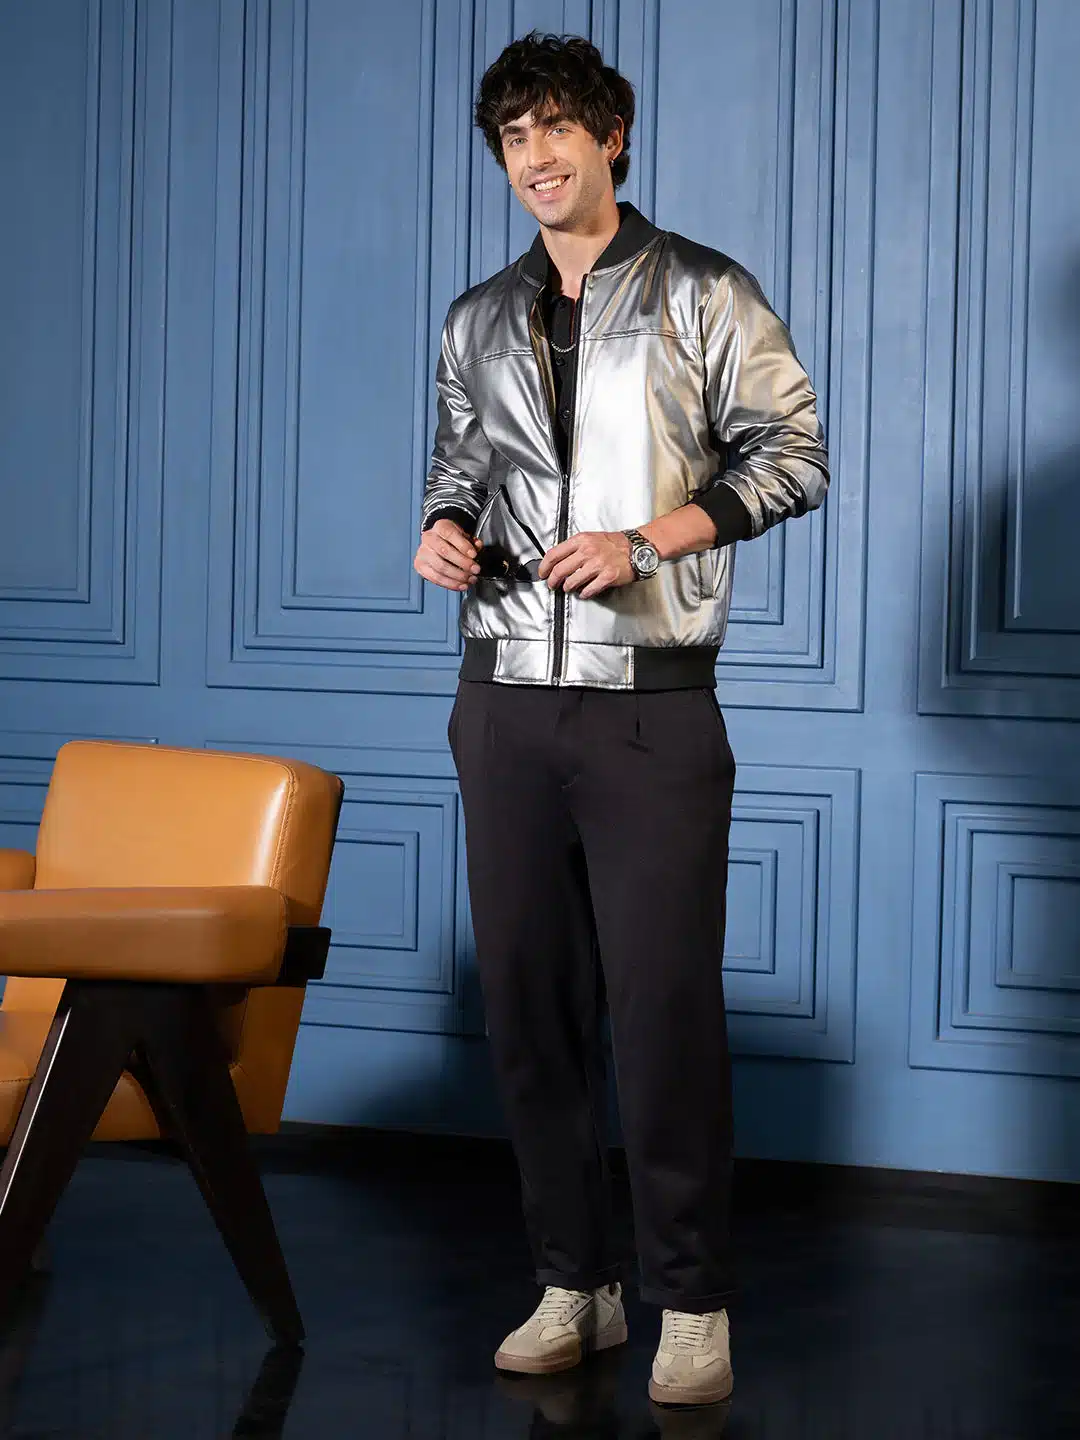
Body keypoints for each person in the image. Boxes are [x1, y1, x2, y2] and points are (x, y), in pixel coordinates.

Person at [413, 31, 828, 1409]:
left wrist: (648, 541)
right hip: (502, 705)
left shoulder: (706, 290)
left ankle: (690, 1302)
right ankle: (572, 1286)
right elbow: (462, 460)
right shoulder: (477, 316)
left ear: (613, 135)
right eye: (513, 138)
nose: (535, 158)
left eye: (556, 129)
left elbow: (795, 455)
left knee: (662, 1015)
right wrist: (445, 528)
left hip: (651, 713)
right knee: (529, 1012)